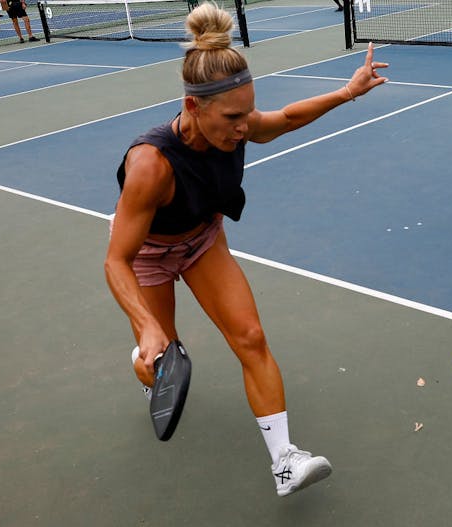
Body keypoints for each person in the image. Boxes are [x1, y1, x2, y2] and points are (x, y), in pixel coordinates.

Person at [104, 1, 388, 497]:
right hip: (149, 256)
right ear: (194, 106)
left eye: (246, 114)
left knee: (251, 337)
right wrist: (147, 327)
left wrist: (347, 92)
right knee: (161, 357)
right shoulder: (151, 164)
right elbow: (117, 259)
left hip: (203, 240)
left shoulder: (238, 122)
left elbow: (283, 119)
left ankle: (285, 460)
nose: (243, 128)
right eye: (233, 117)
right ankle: (141, 356)